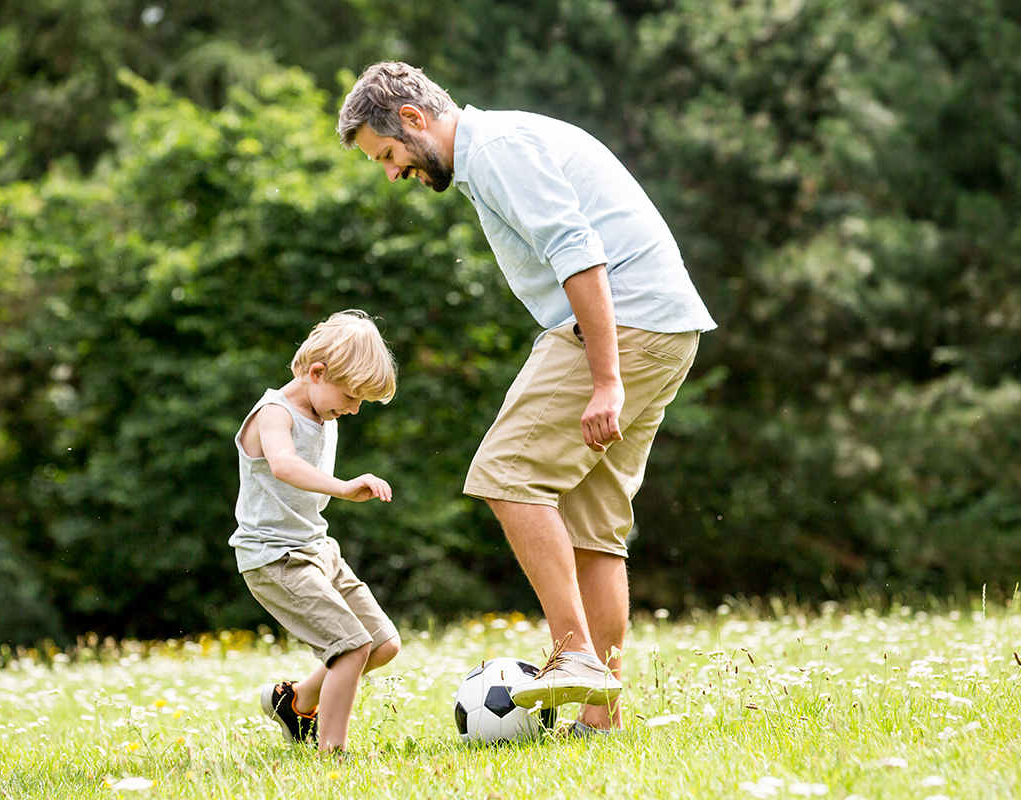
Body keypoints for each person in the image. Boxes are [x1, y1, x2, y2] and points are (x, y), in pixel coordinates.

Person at [337, 62, 717, 735]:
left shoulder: (496, 151)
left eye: (389, 155)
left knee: (506, 475)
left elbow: (580, 252)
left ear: (415, 119)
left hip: (624, 324)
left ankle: (575, 656)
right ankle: (600, 720)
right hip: (663, 326)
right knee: (592, 527)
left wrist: (605, 380)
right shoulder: (502, 145)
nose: (393, 174)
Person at [230, 309, 402, 752]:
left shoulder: (325, 414)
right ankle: (333, 753)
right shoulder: (274, 413)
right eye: (349, 396)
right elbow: (284, 465)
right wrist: (345, 488)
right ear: (316, 372)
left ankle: (296, 701)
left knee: (382, 644)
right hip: (276, 558)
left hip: (318, 548)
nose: (353, 408)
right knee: (350, 649)